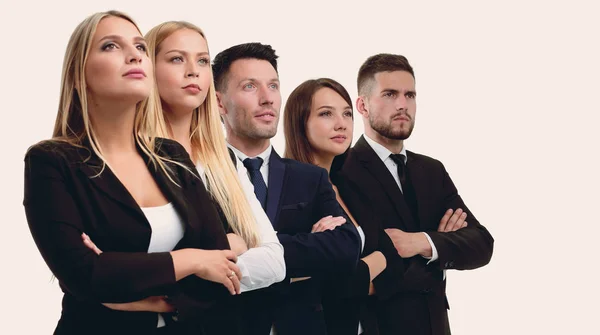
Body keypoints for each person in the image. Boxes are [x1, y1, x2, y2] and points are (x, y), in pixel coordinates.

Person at [23, 11, 241, 335]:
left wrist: (139, 294)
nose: (134, 56)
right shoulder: (51, 161)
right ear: (78, 74)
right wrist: (193, 260)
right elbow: (86, 276)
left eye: (140, 47)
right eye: (111, 46)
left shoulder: (171, 155)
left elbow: (223, 261)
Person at [336, 53, 495, 335]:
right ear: (362, 105)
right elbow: (358, 271)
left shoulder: (432, 170)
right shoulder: (341, 170)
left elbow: (482, 244)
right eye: (390, 94)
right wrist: (442, 248)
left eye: (410, 95)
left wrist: (422, 242)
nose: (402, 105)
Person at [212, 43, 361, 335]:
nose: (267, 99)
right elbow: (205, 254)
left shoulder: (310, 177)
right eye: (250, 86)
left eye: (273, 86)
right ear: (219, 103)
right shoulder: (202, 174)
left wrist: (259, 252)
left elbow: (346, 247)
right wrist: (304, 251)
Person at [282, 78, 407, 335]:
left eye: (347, 113)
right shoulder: (286, 191)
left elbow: (393, 260)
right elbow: (310, 284)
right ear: (299, 123)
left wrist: (346, 270)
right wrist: (368, 269)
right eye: (326, 113)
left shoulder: (350, 188)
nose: (341, 123)